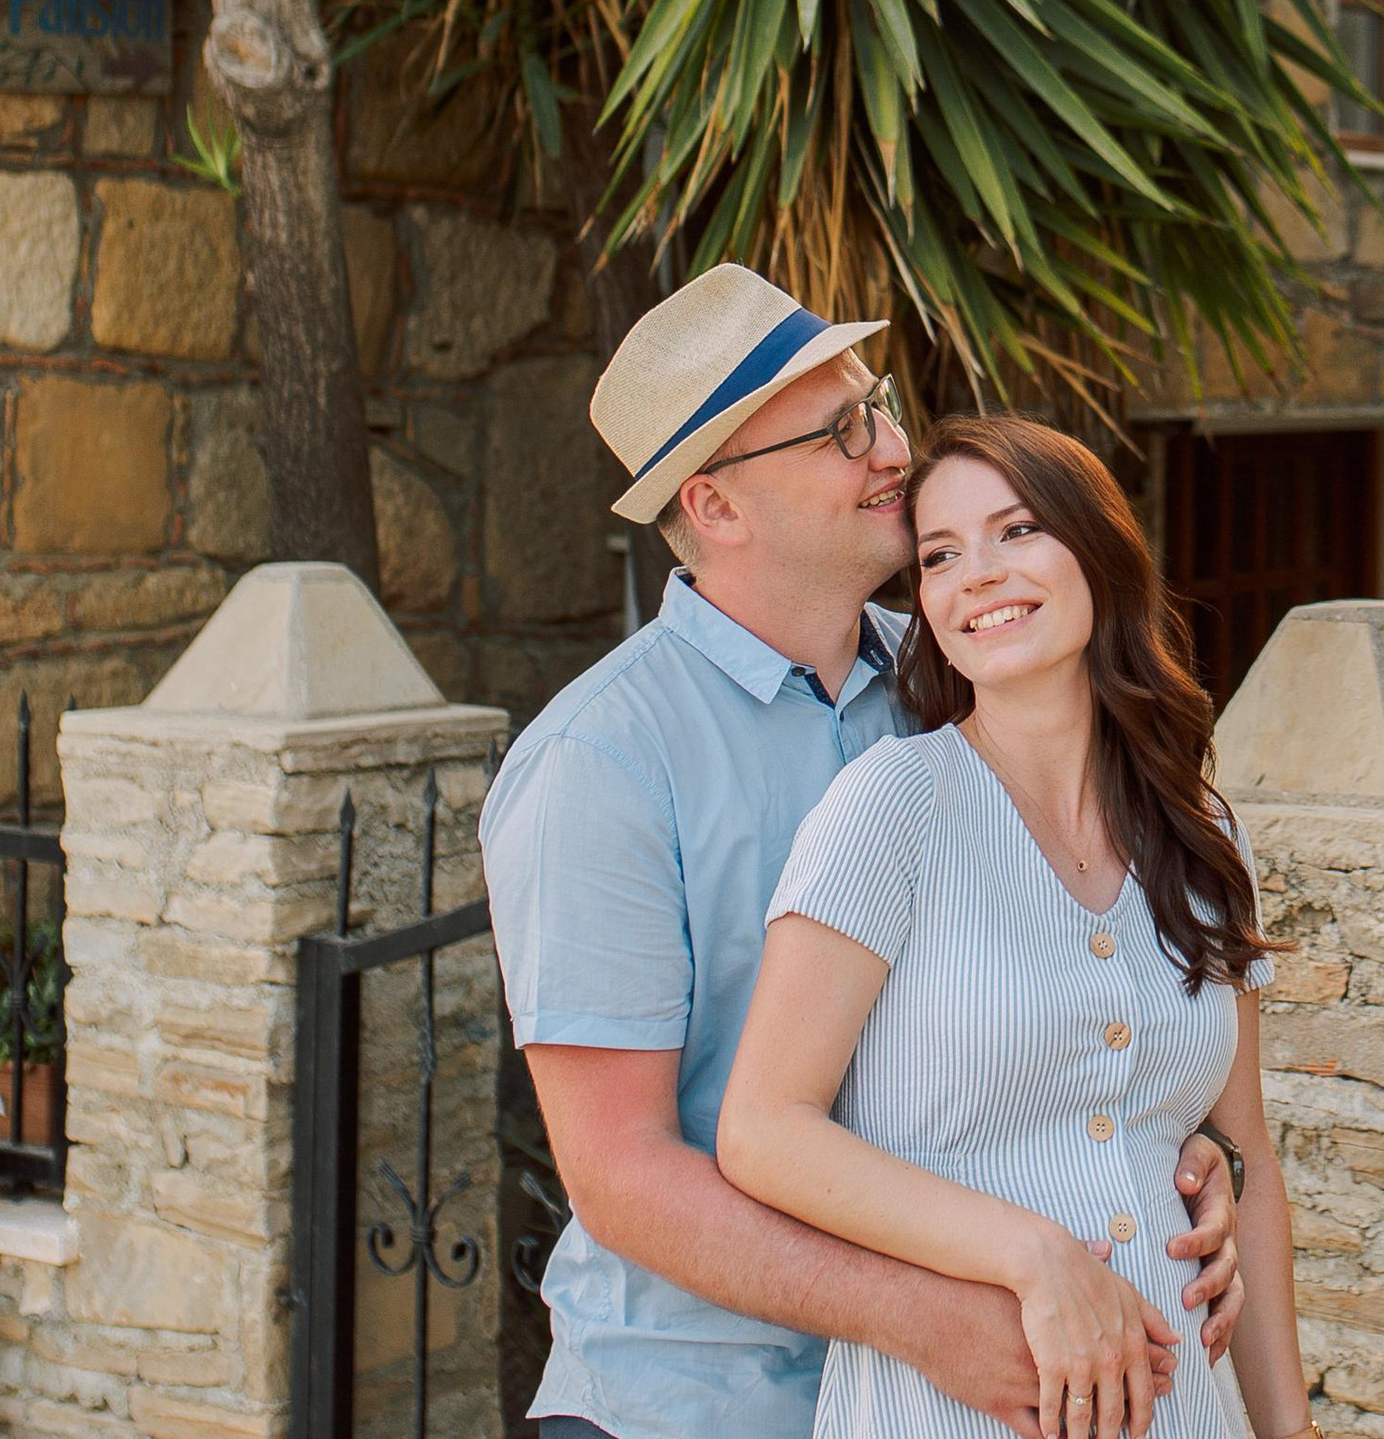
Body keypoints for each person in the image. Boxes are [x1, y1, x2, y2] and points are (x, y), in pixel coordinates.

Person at [480, 268, 1243, 1439]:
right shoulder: (596, 764)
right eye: (840, 430)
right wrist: (920, 1318)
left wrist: (1175, 1152)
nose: (893, 448)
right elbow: (622, 1175)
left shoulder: (964, 675)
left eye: (876, 403)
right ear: (716, 505)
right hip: (703, 1406)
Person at [715, 414, 1312, 1439]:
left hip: (1185, 1410)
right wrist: (1031, 1253)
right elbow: (763, 1131)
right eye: (940, 556)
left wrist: (1292, 1431)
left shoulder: (1202, 831)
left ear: (1099, 549)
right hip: (957, 1412)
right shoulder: (891, 807)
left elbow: (1244, 1154)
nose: (978, 575)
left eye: (1018, 530)